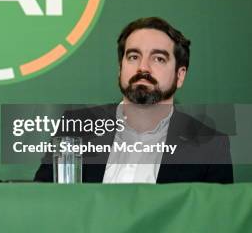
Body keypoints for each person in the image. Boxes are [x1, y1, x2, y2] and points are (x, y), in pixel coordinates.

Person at [34, 17, 233, 183]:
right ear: (120, 68)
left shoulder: (210, 146)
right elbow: (46, 206)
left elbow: (215, 222)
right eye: (133, 57)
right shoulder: (76, 127)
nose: (143, 68)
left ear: (180, 76)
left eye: (159, 59)